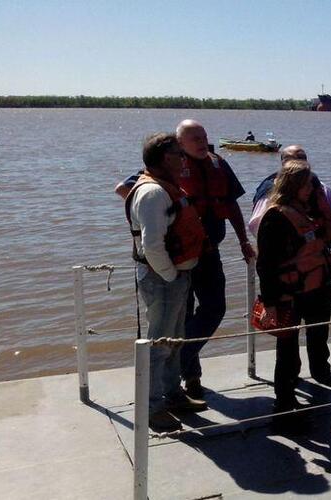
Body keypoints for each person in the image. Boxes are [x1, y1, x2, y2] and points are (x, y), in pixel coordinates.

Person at [116, 120, 254, 399]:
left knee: (214, 309)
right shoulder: (162, 174)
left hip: (209, 251)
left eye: (204, 136)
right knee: (181, 317)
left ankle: (181, 359)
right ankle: (187, 380)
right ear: (180, 145)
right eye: (194, 138)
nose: (202, 142)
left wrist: (243, 241)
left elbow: (231, 204)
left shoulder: (218, 164)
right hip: (178, 258)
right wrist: (161, 215)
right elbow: (125, 189)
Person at [124, 133, 208, 432]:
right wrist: (172, 277)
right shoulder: (152, 194)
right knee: (159, 345)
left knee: (174, 342)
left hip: (174, 278)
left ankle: (173, 395)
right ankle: (153, 408)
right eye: (177, 153)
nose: (183, 158)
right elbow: (151, 245)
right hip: (162, 279)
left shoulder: (165, 189)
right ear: (162, 158)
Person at [256, 160, 331, 429]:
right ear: (294, 186)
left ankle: (291, 402)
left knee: (306, 343)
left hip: (313, 290)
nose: (311, 189)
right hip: (288, 295)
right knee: (288, 353)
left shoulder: (305, 210)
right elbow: (266, 265)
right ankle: (283, 407)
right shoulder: (276, 217)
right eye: (307, 185)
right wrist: (270, 302)